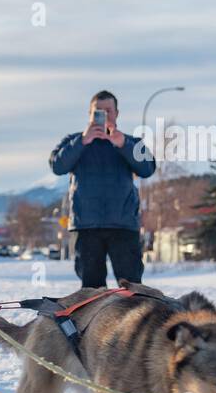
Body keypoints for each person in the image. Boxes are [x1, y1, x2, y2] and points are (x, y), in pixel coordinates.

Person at [49, 90, 156, 287]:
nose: (103, 115)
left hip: (123, 226)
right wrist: (82, 141)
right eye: (98, 111)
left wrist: (122, 143)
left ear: (116, 113)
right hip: (86, 226)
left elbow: (147, 168)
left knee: (132, 289)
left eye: (108, 110)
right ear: (89, 114)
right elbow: (57, 166)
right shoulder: (75, 141)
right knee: (91, 290)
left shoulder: (130, 143)